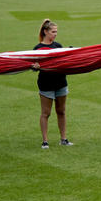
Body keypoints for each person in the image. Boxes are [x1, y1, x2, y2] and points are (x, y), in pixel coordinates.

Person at [32, 19, 72, 149]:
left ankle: (64, 139)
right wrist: (35, 66)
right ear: (45, 32)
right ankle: (45, 141)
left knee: (61, 111)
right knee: (46, 113)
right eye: (53, 32)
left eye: (56, 32)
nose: (55, 34)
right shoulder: (37, 48)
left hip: (61, 82)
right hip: (46, 84)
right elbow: (32, 65)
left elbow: (64, 62)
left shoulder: (58, 46)